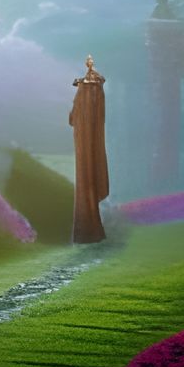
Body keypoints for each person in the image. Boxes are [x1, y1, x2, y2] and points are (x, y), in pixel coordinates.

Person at [70, 55, 109, 244]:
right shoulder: (96, 96)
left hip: (86, 144)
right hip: (85, 142)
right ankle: (90, 227)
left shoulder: (86, 95)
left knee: (87, 174)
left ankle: (88, 229)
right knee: (88, 175)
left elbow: (71, 119)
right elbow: (73, 118)